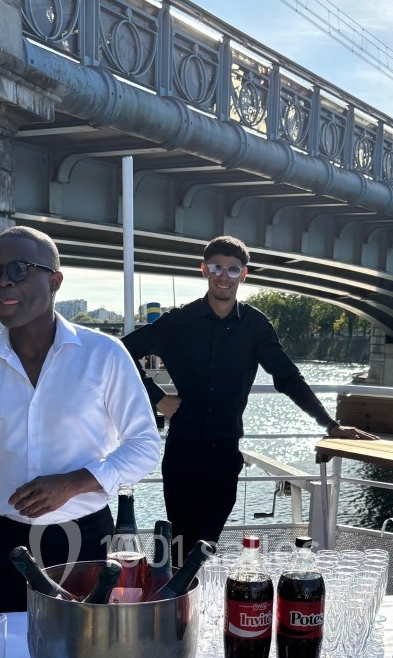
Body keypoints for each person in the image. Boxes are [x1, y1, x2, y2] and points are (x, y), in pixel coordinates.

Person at [0, 227, 160, 612]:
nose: (3, 281)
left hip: (87, 543)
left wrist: (74, 483)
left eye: (19, 269)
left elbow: (145, 446)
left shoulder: (104, 354)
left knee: (88, 648)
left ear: (55, 281)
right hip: (4, 545)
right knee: (7, 647)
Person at [123, 236, 376, 563]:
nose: (223, 276)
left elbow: (288, 378)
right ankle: (178, 595)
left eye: (232, 269)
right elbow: (121, 353)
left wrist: (330, 425)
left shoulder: (256, 326)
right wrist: (158, 398)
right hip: (183, 451)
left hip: (225, 453)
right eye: (216, 267)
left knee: (205, 546)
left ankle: (191, 590)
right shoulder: (179, 322)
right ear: (204, 270)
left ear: (243, 274)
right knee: (180, 544)